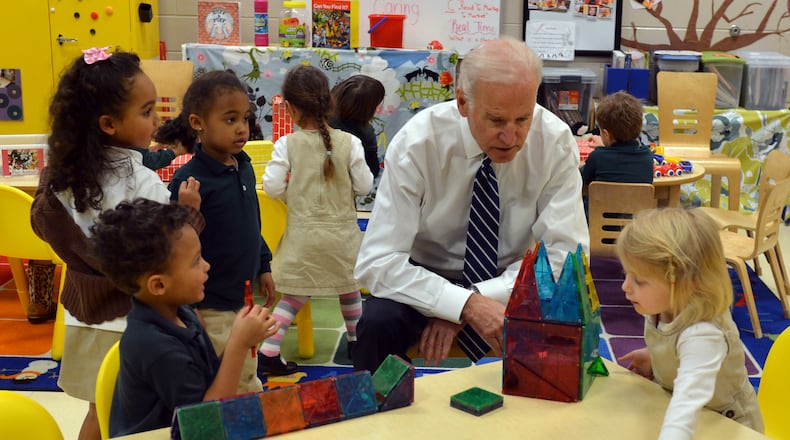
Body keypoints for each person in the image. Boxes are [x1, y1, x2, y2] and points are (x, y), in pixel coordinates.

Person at [352, 37, 589, 373]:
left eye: (523, 119)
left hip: (513, 280)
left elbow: (566, 256)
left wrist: (477, 299)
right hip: (424, 276)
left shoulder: (554, 141)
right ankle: (378, 418)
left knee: (568, 316)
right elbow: (377, 262)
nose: (512, 136)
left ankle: (540, 422)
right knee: (376, 326)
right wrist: (461, 304)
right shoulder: (418, 142)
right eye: (496, 121)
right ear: (462, 102)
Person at [30, 48, 200, 440]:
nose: (156, 119)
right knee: (136, 419)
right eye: (146, 111)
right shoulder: (140, 180)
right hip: (131, 320)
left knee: (97, 412)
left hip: (83, 315)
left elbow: (51, 227)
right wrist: (188, 212)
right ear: (108, 123)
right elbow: (168, 248)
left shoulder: (63, 176)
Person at [89, 199, 280, 437]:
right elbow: (205, 423)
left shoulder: (182, 313)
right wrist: (238, 344)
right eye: (196, 261)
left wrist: (241, 337)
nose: (207, 266)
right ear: (159, 284)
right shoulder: (155, 347)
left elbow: (206, 388)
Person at [156, 69, 276, 393]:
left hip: (245, 297)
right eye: (229, 119)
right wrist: (186, 210)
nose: (242, 128)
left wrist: (264, 264)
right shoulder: (190, 182)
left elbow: (251, 223)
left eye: (245, 118)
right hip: (211, 305)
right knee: (227, 380)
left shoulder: (244, 165)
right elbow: (177, 247)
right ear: (198, 123)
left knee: (247, 371)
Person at [258, 65, 373, 375]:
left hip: (303, 239)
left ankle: (267, 352)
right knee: (349, 290)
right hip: (342, 239)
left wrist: (290, 196)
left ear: (291, 108)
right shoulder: (351, 143)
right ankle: (356, 342)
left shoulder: (287, 144)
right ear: (328, 102)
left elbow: (271, 187)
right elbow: (364, 187)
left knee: (294, 296)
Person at [615, 208, 763, 439]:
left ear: (685, 283)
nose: (625, 286)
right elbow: (677, 346)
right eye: (626, 274)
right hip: (701, 417)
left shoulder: (703, 334)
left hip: (729, 425)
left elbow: (687, 403)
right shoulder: (666, 304)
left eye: (640, 280)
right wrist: (656, 356)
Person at [579, 90, 653, 188]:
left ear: (606, 134)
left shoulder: (597, 156)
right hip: (635, 203)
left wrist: (582, 163)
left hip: (601, 204)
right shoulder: (647, 156)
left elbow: (582, 178)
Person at [329, 74, 386, 178]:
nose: (378, 109)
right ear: (367, 109)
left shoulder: (321, 119)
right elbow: (372, 171)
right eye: (376, 104)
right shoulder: (366, 133)